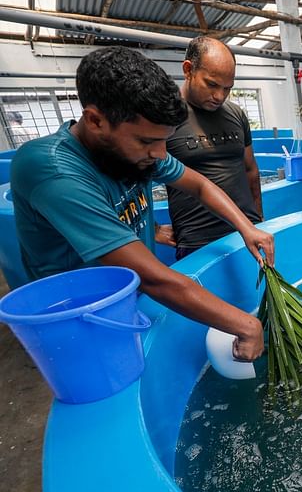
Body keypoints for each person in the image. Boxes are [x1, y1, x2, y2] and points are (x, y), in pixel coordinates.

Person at [11, 46, 274, 361]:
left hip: (130, 298)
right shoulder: (52, 168)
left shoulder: (135, 153)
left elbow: (202, 186)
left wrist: (247, 228)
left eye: (164, 140)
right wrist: (246, 325)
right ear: (95, 120)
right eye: (148, 141)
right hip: (81, 317)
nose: (161, 154)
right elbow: (152, 277)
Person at [166, 36, 262, 260]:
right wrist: (153, 229)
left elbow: (251, 171)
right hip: (198, 241)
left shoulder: (236, 114)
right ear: (188, 69)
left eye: (227, 88)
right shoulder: (165, 117)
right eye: (211, 84)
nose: (219, 96)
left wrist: (258, 218)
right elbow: (131, 178)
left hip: (247, 233)